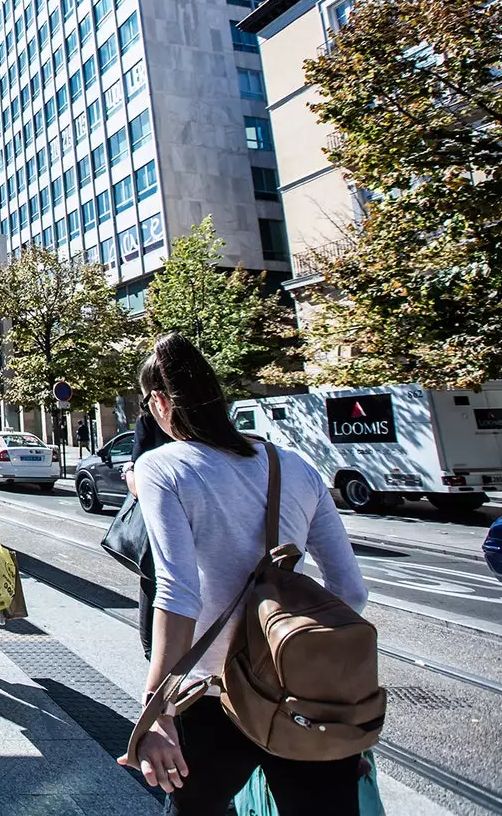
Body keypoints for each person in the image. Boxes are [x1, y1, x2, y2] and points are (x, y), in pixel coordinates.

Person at [120, 333, 368, 811]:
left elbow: (178, 589)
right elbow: (350, 591)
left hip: (217, 696)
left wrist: (157, 706)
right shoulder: (297, 468)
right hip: (306, 695)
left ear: (160, 402)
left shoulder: (162, 467)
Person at [128, 405, 172, 660]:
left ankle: (152, 650)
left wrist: (128, 473)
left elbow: (138, 481)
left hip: (159, 512)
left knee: (153, 576)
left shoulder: (148, 421)